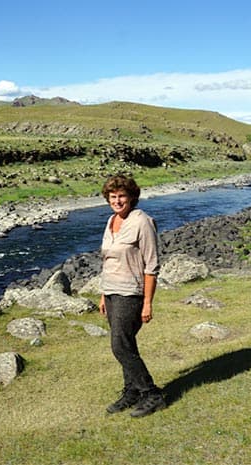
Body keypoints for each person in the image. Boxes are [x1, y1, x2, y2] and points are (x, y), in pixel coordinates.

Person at [98, 174, 166, 418]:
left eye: (122, 196)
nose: (117, 201)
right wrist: (103, 294)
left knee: (119, 346)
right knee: (127, 344)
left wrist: (147, 302)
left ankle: (152, 394)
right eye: (113, 197)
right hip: (112, 292)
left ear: (132, 197)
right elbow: (107, 261)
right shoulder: (111, 221)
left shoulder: (142, 222)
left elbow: (151, 265)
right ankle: (132, 391)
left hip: (131, 293)